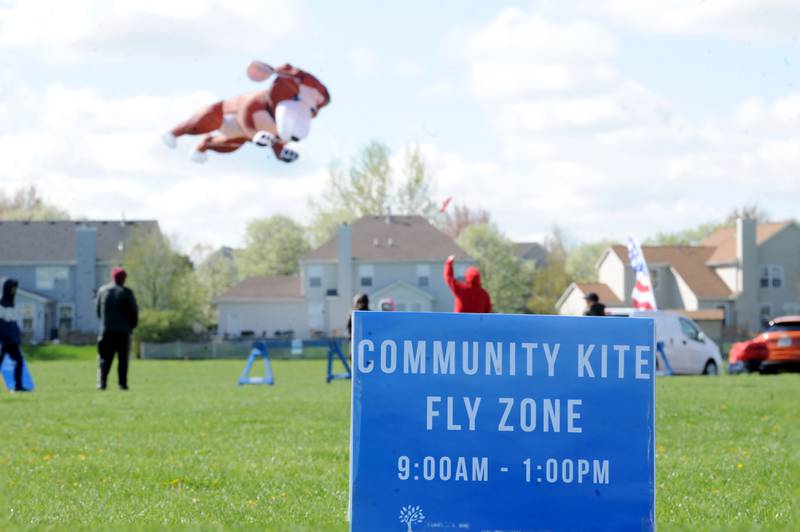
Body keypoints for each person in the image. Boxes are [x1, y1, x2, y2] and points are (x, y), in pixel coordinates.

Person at [96, 267, 139, 390]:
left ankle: (102, 382)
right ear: (124, 278)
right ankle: (122, 383)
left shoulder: (102, 291)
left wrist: (105, 323)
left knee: (104, 358)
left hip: (106, 330)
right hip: (123, 332)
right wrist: (132, 325)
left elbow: (98, 311)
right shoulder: (127, 293)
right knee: (123, 360)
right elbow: (133, 312)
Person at [0, 279, 27, 392]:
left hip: (12, 341)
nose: (14, 290)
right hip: (2, 340)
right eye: (13, 288)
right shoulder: (0, 305)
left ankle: (18, 386)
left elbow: (14, 324)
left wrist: (17, 337)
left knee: (19, 360)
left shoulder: (13, 305)